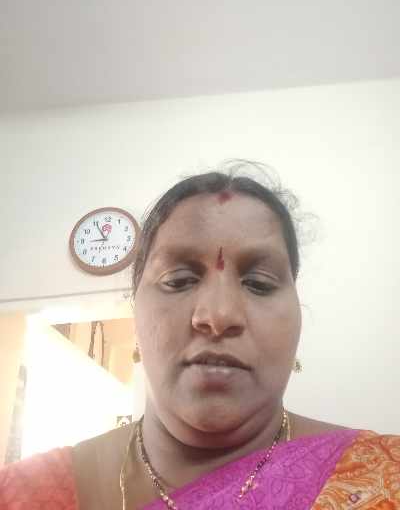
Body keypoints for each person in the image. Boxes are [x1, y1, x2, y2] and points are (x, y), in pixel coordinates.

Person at [1, 167, 399, 509]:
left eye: (259, 284)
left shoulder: (383, 477)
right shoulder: (22, 495)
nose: (218, 316)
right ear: (135, 310)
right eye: (178, 280)